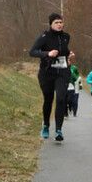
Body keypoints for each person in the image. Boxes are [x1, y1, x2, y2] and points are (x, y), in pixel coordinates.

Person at [29, 12, 75, 141]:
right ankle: (46, 125)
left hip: (62, 72)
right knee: (48, 99)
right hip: (47, 73)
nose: (59, 25)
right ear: (51, 24)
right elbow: (32, 52)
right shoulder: (44, 37)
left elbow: (64, 51)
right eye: (56, 23)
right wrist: (47, 54)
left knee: (61, 99)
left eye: (61, 22)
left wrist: (69, 55)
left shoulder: (66, 37)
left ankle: (58, 130)